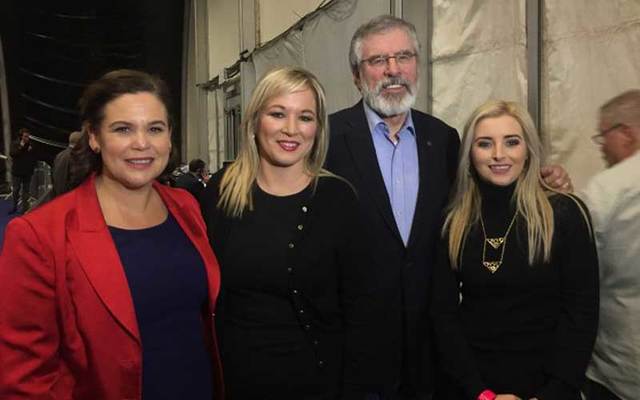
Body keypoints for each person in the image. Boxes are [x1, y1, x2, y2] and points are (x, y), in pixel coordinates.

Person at [325, 15, 573, 399]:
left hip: (432, 351)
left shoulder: (441, 139)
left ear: (417, 67)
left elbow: (485, 195)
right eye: (378, 61)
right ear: (358, 75)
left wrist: (541, 181)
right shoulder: (327, 140)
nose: (393, 70)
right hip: (355, 350)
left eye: (403, 57)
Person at [0, 69, 223, 400]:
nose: (142, 144)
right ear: (94, 137)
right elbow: (25, 380)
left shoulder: (186, 207)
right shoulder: (39, 235)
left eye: (155, 129)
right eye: (123, 129)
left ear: (169, 137)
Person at [199, 66, 380, 398]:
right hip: (233, 383)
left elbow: (362, 311)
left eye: (305, 117)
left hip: (317, 384)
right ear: (254, 121)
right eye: (278, 114)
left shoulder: (337, 199)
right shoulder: (220, 193)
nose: (291, 130)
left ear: (318, 128)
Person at [430, 100, 599, 400]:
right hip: (472, 387)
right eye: (484, 144)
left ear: (528, 149)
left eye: (511, 142)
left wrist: (552, 394)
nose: (499, 154)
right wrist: (480, 393)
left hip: (547, 386)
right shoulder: (454, 221)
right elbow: (443, 316)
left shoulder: (564, 213)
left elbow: (581, 314)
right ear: (469, 154)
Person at [581, 90, 640, 400]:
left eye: (603, 135)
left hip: (619, 367)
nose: (601, 146)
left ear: (626, 133)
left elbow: (581, 272)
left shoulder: (608, 188)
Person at [8, 127, 37, 214]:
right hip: (17, 172)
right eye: (25, 136)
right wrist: (21, 146)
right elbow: (12, 154)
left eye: (28, 136)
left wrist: (32, 167)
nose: (27, 138)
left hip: (27, 172)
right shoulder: (15, 144)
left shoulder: (31, 145)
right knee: (16, 190)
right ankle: (14, 206)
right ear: (21, 137)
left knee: (26, 191)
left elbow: (34, 157)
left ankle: (25, 208)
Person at [51, 129, 83, 197]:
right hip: (69, 196)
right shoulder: (75, 157)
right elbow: (75, 179)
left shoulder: (59, 155)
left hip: (58, 195)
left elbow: (53, 174)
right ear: (79, 142)